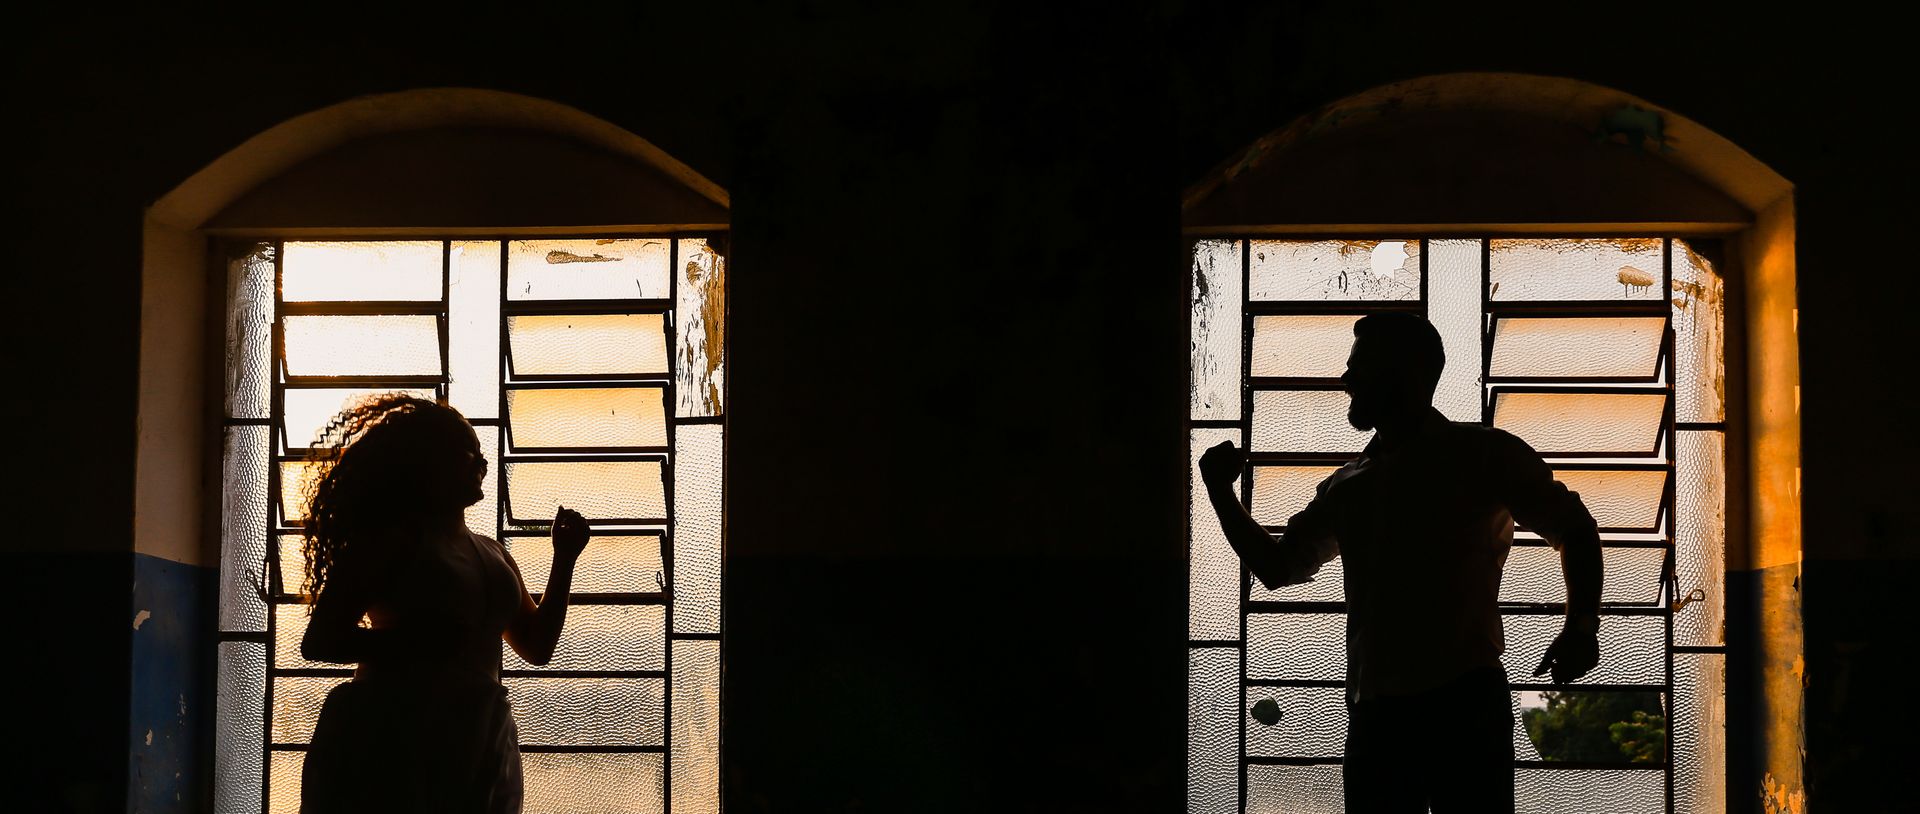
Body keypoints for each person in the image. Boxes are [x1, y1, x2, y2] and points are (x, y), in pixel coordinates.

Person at [1198, 313, 1604, 813]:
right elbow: (1574, 527)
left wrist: (1221, 492)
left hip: (1398, 712)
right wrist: (1581, 625)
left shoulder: (1370, 482)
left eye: (1359, 365)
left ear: (1406, 372)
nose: (1345, 379)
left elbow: (1278, 567)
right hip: (1443, 705)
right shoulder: (1463, 459)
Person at [292, 395, 590, 813]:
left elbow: (537, 646)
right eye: (469, 454)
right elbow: (319, 640)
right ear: (428, 464)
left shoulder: (495, 553)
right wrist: (407, 642)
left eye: (481, 455)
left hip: (480, 745)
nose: (481, 465)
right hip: (390, 742)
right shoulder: (389, 543)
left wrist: (564, 558)